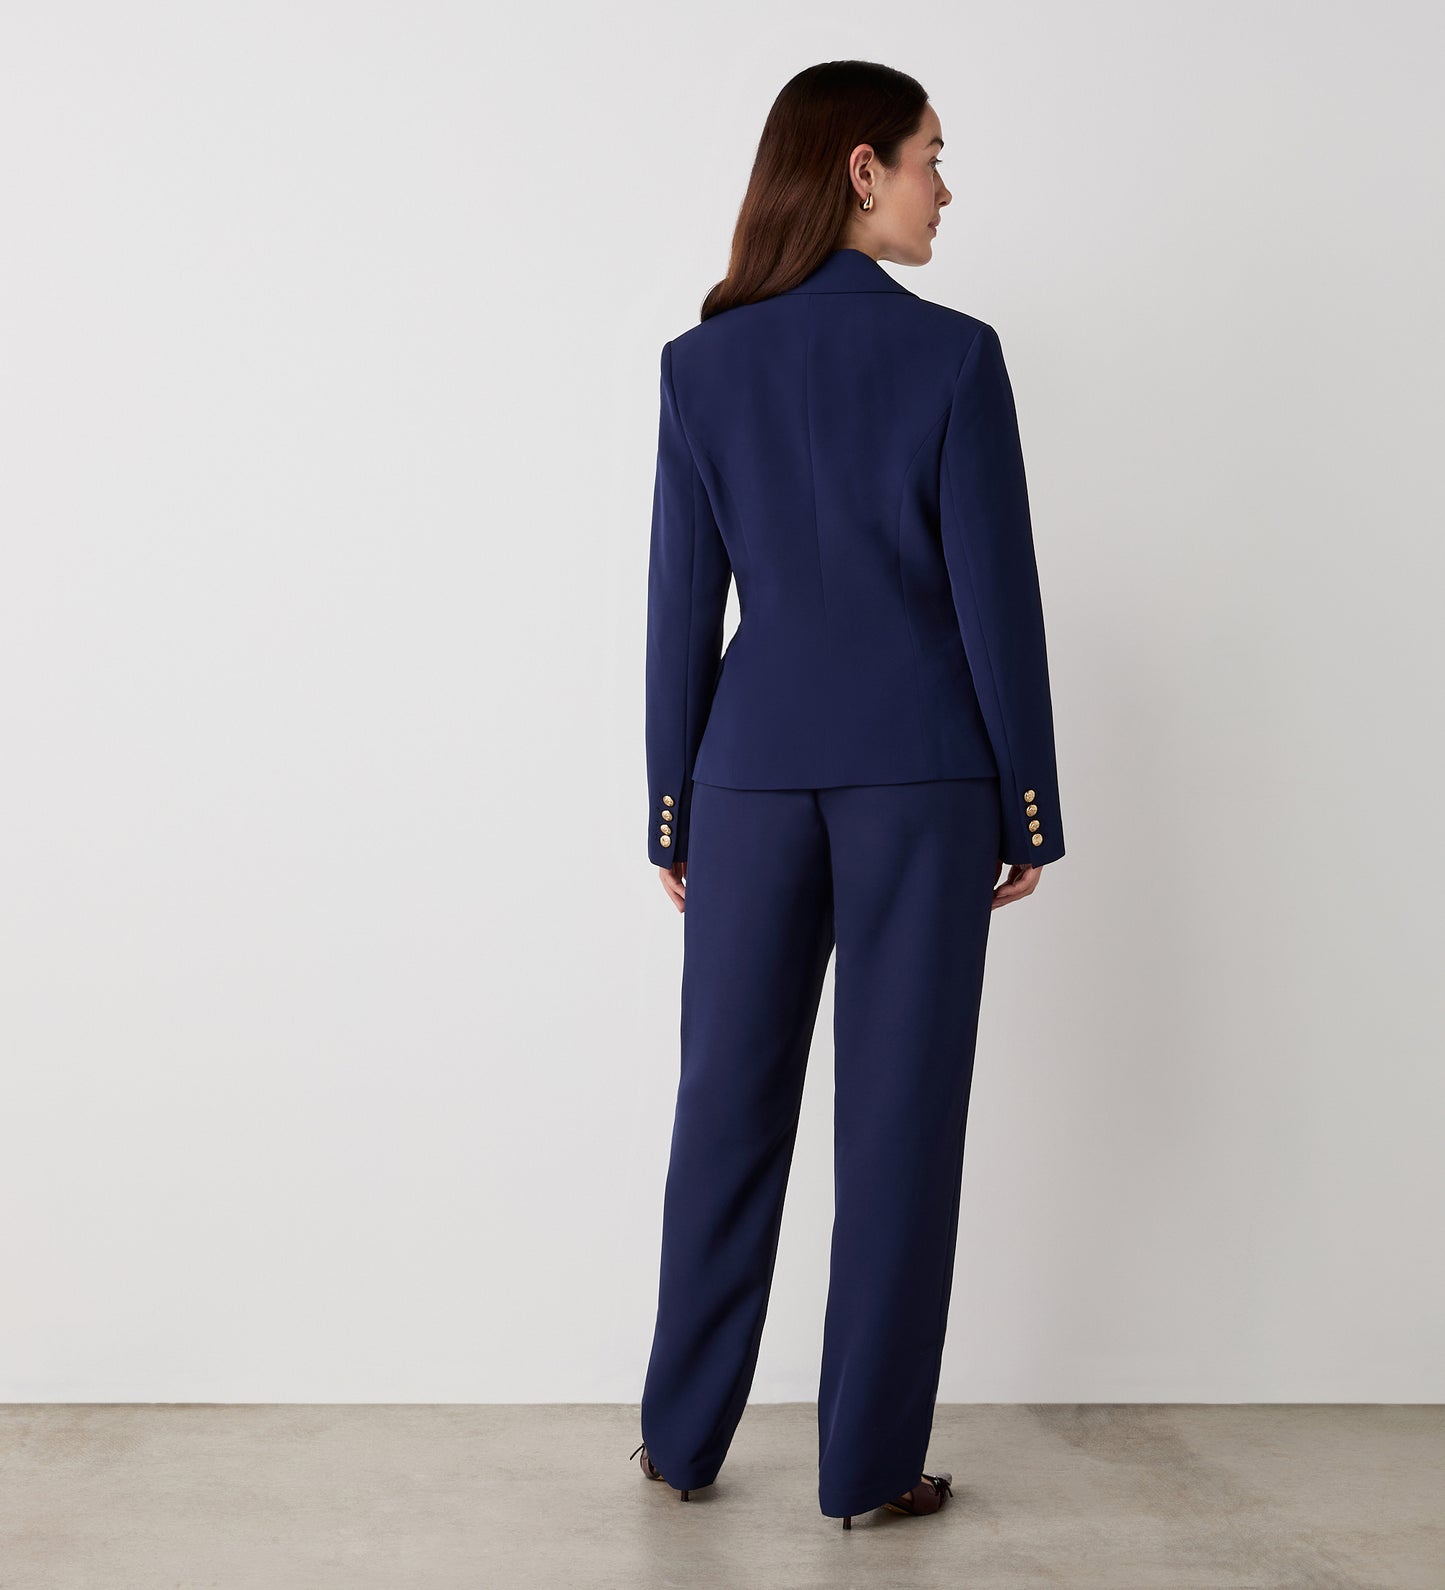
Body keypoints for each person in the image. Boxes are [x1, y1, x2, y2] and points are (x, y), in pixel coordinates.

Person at [629, 59, 1066, 1530]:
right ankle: (868, 1468)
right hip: (923, 780)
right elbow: (993, 601)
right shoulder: (952, 359)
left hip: (745, 778)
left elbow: (680, 608)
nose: (948, 188)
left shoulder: (702, 365)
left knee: (724, 1109)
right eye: (935, 159)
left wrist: (669, 810)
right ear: (862, 166)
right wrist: (1027, 810)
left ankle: (681, 1440)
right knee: (896, 1128)